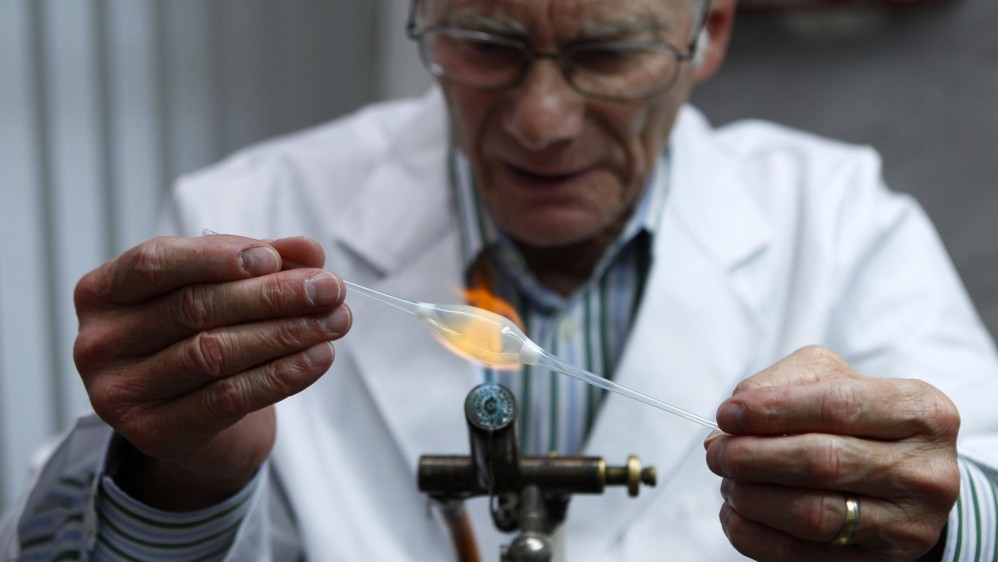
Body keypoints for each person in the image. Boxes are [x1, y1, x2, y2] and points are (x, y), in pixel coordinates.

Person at [3, 0, 997, 559]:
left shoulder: (839, 224)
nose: (538, 120)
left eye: (607, 54)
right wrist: (179, 480)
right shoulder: (249, 216)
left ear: (710, 32)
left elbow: (983, 496)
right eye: (485, 46)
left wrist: (935, 521)